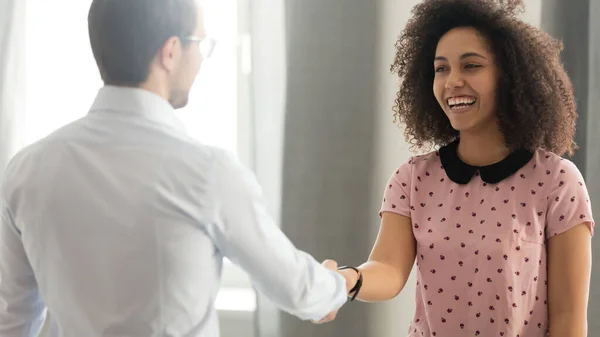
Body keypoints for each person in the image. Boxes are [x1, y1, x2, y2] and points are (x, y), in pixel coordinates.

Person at [0, 0, 354, 336]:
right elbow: (301, 291)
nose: (201, 57)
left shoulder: (27, 171)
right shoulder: (207, 174)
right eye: (199, 42)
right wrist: (342, 282)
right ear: (170, 51)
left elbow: (11, 322)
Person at [324, 0, 595, 336]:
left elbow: (569, 317)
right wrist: (345, 281)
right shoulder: (412, 178)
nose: (452, 81)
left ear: (510, 75)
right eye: (441, 69)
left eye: (471, 66)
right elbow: (388, 269)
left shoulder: (557, 182)